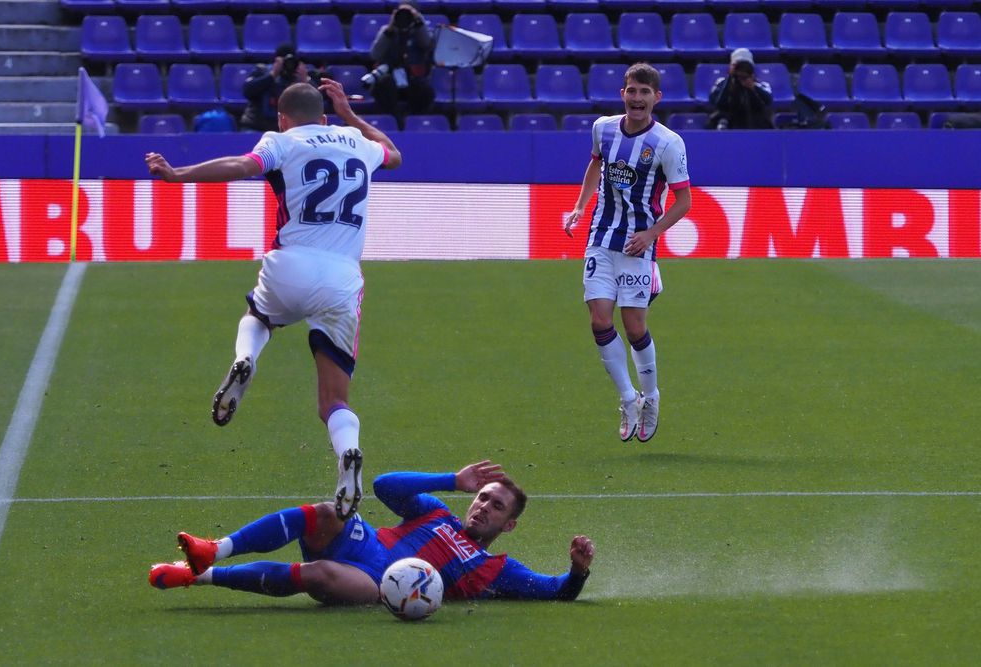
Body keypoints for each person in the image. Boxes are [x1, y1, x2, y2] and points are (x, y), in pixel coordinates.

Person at [145, 80, 402, 521]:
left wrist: (179, 175)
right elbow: (394, 155)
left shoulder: (280, 141)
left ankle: (246, 360)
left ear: (282, 118)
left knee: (259, 316)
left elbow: (240, 165)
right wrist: (350, 115)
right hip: (343, 277)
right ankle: (350, 450)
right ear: (325, 116)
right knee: (334, 402)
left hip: (291, 263)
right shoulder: (357, 141)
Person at [148, 461, 596, 604]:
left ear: (509, 525)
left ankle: (196, 577)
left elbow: (553, 590)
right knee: (328, 512)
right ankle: (215, 548)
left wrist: (576, 572)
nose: (483, 507)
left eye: (496, 506)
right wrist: (451, 480)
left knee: (321, 573)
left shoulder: (492, 567)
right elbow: (384, 487)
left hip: (378, 585)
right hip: (368, 545)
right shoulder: (437, 513)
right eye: (483, 497)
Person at [563, 62, 692, 443]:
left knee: (635, 327)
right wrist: (580, 206)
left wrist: (651, 234)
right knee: (600, 320)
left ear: (656, 98)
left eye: (645, 93)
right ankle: (628, 398)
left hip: (638, 244)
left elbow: (683, 201)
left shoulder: (668, 143)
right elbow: (595, 165)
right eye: (632, 91)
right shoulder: (602, 128)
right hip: (601, 237)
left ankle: (651, 396)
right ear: (623, 94)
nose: (637, 99)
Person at [364, 2, 436, 117]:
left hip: (413, 78)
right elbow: (375, 54)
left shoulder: (419, 31)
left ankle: (416, 121)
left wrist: (419, 22)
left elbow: (427, 45)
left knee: (425, 90)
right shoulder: (387, 31)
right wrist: (390, 29)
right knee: (383, 84)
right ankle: (391, 118)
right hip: (390, 78)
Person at [239, 42, 327, 133]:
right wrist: (272, 75)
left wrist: (306, 80)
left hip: (290, 131)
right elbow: (247, 91)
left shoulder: (302, 76)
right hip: (257, 126)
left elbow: (319, 103)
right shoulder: (262, 71)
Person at [707, 48, 773, 130]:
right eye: (737, 66)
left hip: (754, 122)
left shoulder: (761, 85)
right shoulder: (721, 83)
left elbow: (768, 101)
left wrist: (752, 88)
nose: (741, 70)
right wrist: (730, 79)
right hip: (729, 122)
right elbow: (717, 102)